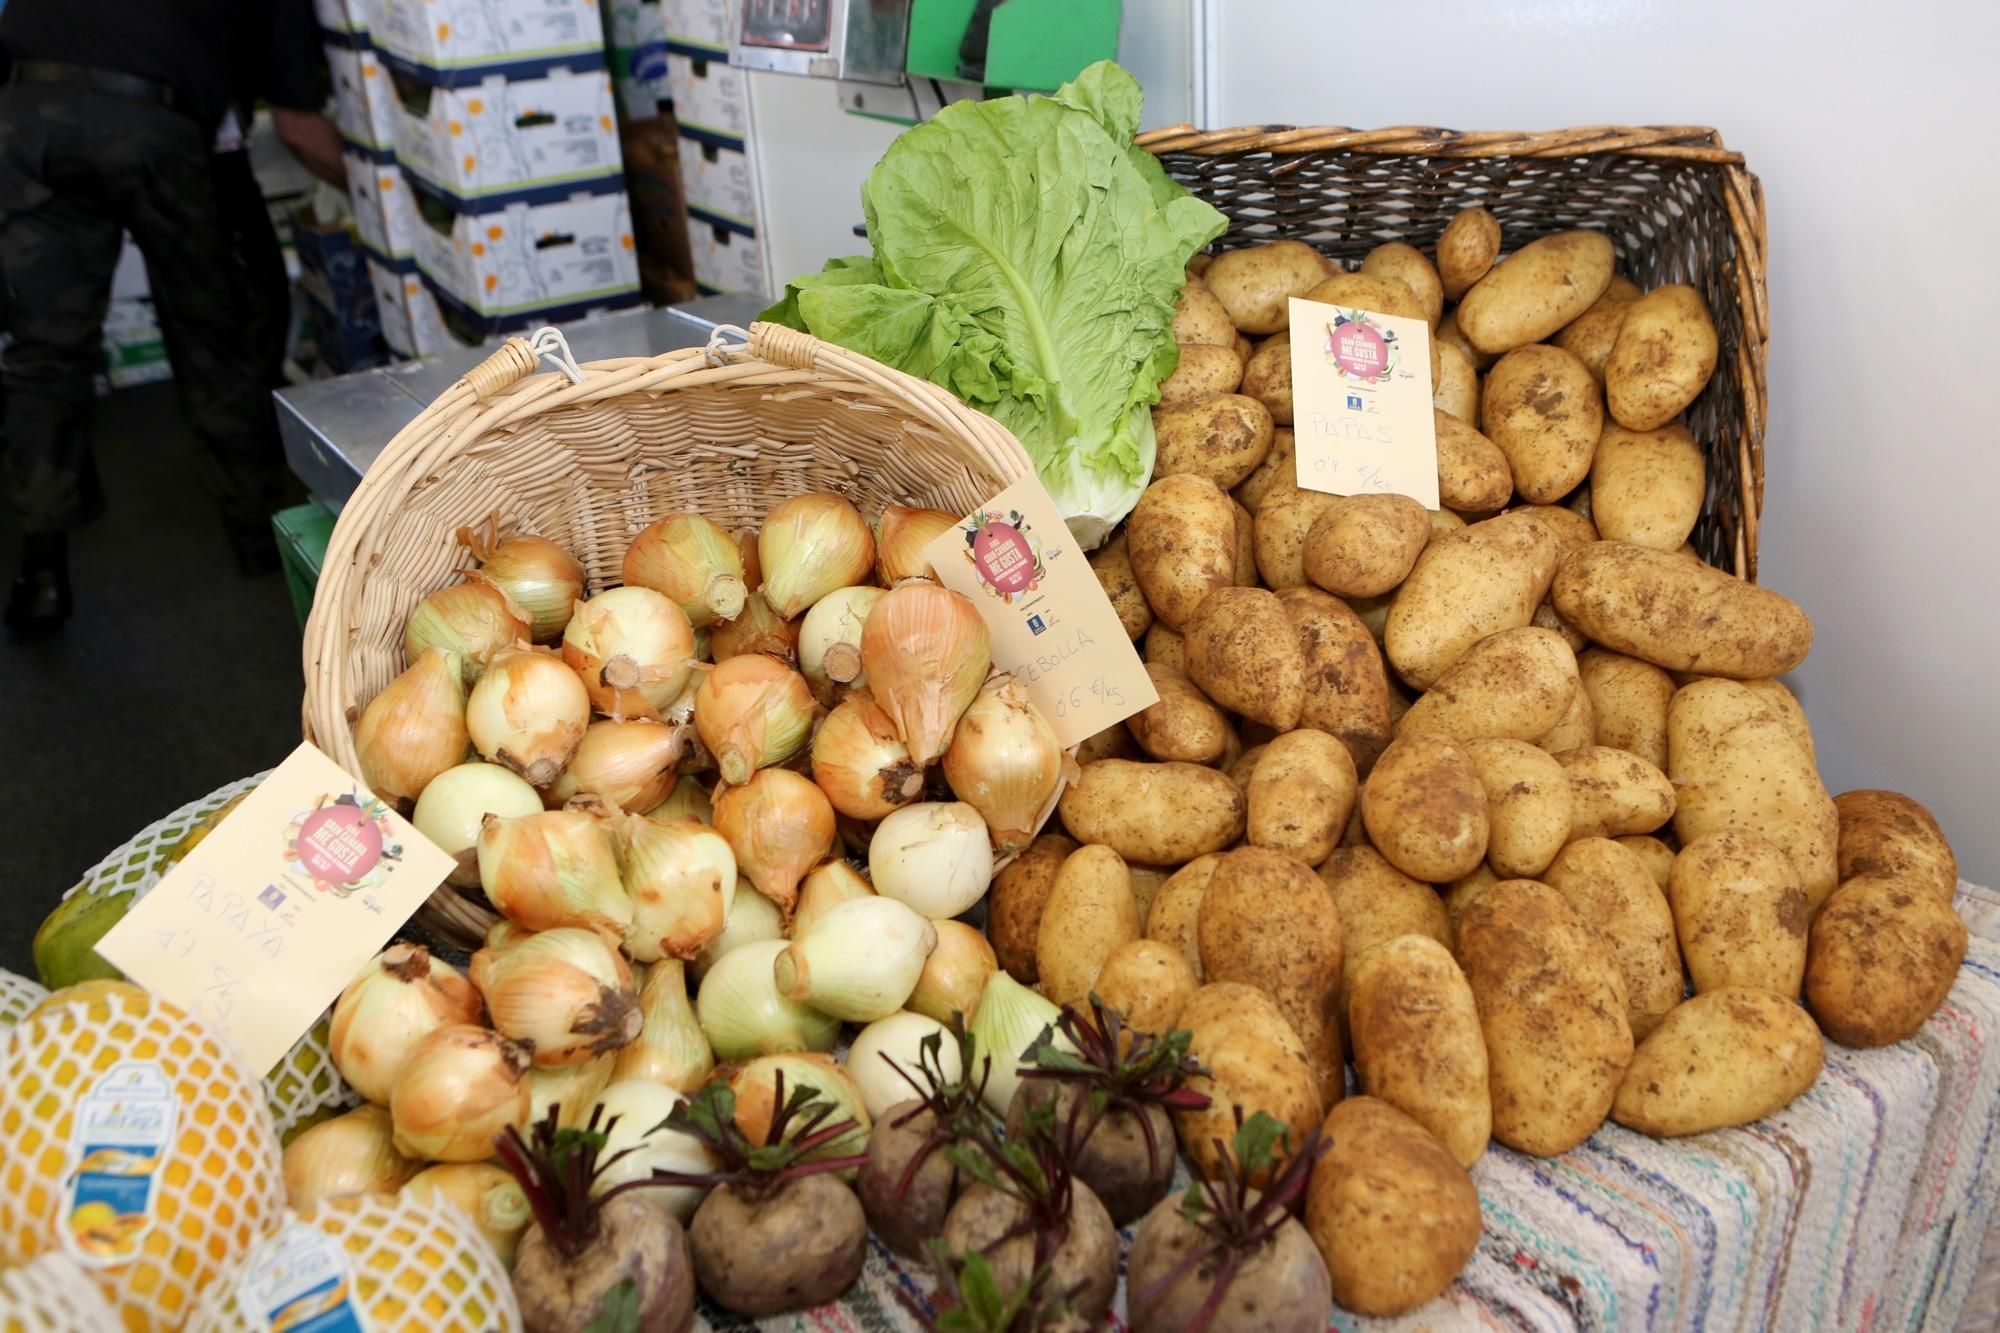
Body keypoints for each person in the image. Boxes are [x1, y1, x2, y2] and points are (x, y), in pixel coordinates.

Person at [0, 0, 344, 633]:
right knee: (209, 330)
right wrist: (374, 194)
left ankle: (41, 571)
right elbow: (297, 125)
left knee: (44, 351)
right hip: (151, 124)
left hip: (27, 114)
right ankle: (253, 539)